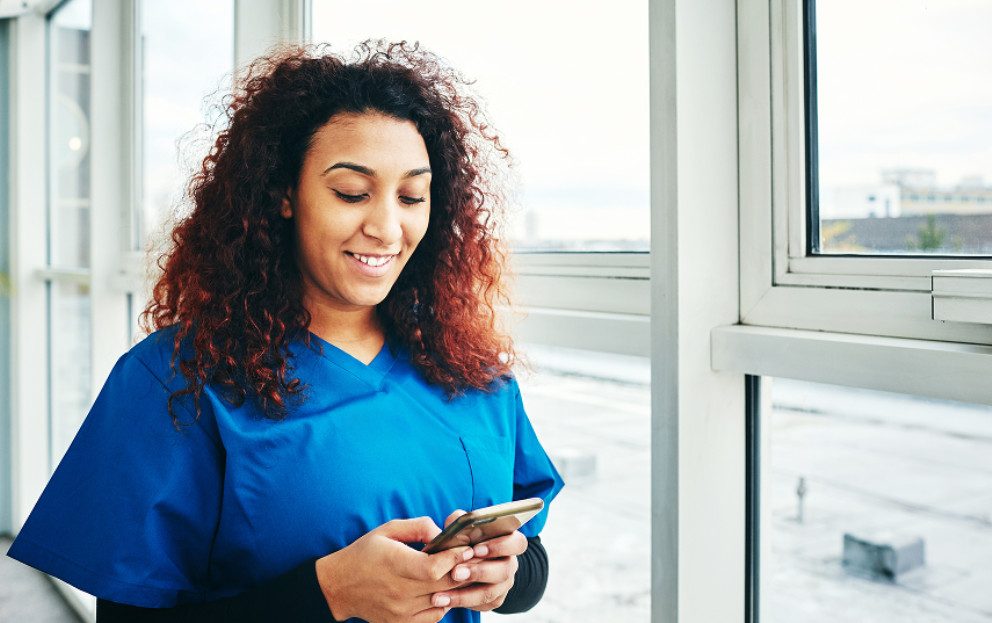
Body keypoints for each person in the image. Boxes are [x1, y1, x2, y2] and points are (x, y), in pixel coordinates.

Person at [8, 40, 564, 623]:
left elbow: (532, 560)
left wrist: (503, 579)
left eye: (411, 196)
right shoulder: (177, 382)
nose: (386, 227)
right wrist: (327, 595)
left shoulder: (467, 372)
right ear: (282, 196)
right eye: (351, 193)